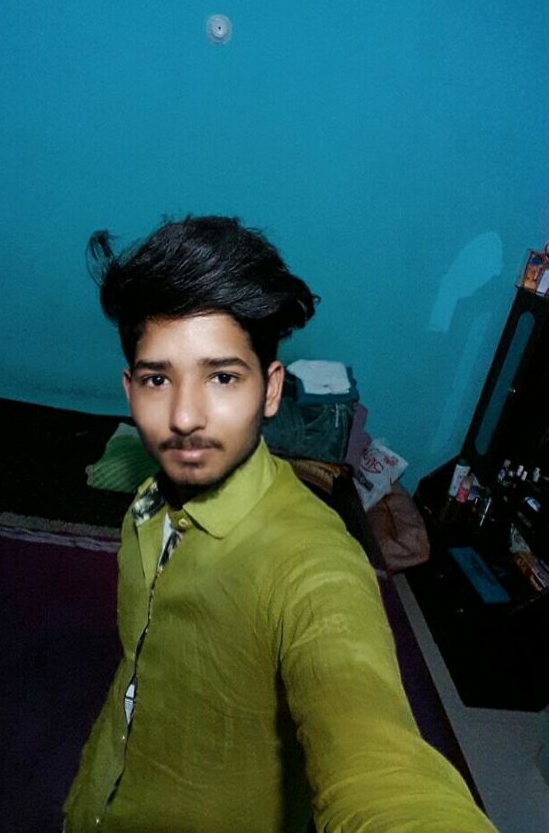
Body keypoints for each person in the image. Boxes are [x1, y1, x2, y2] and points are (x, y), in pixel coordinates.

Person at [63, 216, 497, 832]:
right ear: (130, 389)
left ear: (270, 391)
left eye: (222, 377)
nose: (184, 417)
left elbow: (378, 762)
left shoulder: (314, 563)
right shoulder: (146, 504)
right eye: (158, 379)